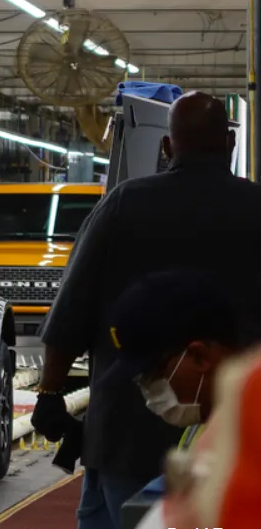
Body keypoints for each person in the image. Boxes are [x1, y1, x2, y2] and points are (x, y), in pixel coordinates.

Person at [29, 90, 261, 529]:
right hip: (235, 425)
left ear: (166, 147)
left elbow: (70, 310)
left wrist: (49, 394)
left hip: (125, 430)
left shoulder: (122, 205)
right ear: (229, 145)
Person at [98, 270, 256, 529]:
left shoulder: (249, 437)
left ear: (198, 357)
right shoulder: (208, 426)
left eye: (152, 375)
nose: (147, 391)